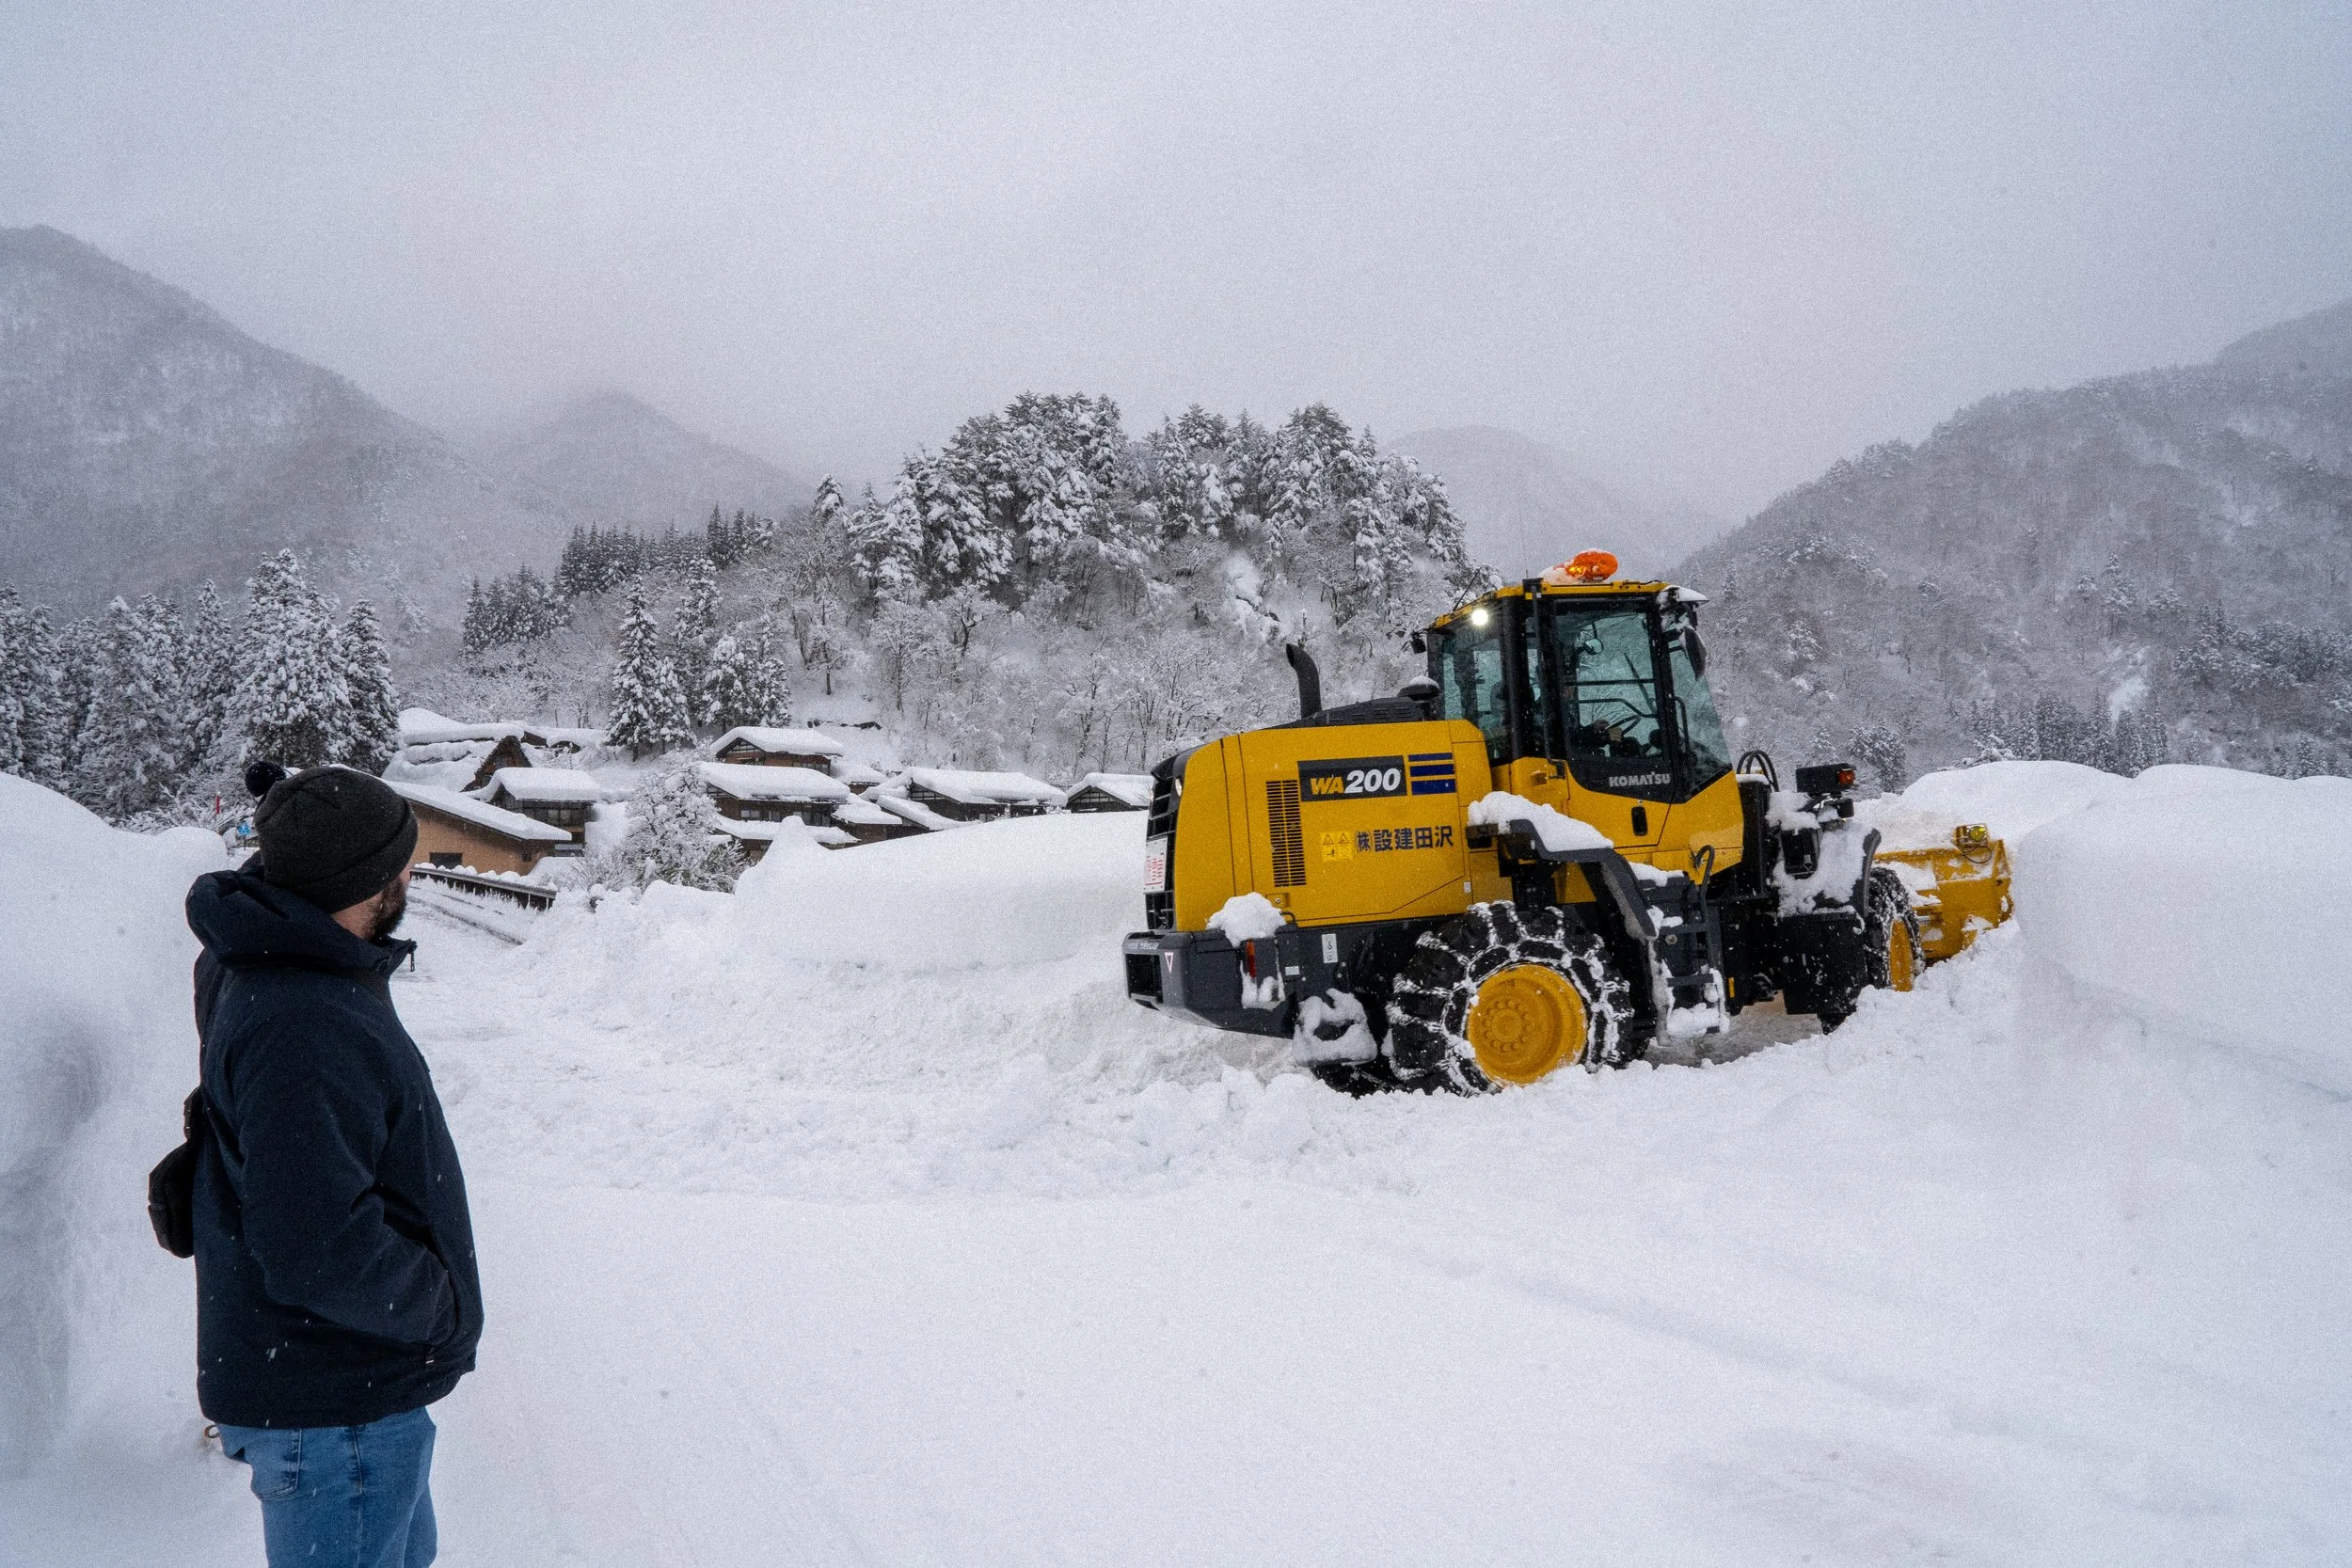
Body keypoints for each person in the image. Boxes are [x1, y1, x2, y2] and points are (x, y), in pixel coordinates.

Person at [183, 763, 482, 1568]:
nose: (413, 873)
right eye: (402, 863)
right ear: (361, 882)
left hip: (339, 1393)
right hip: (337, 1409)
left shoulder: (280, 958)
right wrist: (441, 1305)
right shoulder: (306, 1022)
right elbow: (316, 1245)